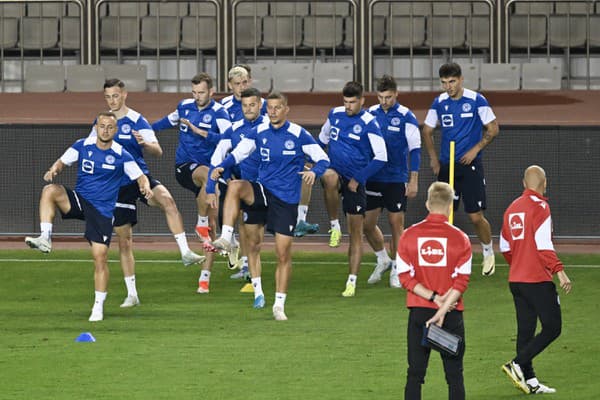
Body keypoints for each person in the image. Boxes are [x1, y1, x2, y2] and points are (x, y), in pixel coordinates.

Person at [208, 91, 330, 320]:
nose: (273, 112)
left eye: (277, 108)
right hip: (263, 191)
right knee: (235, 188)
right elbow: (238, 154)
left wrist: (315, 171)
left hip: (286, 200)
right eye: (270, 108)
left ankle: (279, 305)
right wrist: (221, 167)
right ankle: (226, 237)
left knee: (283, 254)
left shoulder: (298, 134)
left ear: (286, 110)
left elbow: (323, 159)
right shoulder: (259, 131)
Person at [25, 112, 153, 322]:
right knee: (49, 190)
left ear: (116, 130)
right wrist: (53, 170)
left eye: (109, 127)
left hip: (102, 211)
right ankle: (45, 238)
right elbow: (61, 162)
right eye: (101, 126)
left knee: (100, 257)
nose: (105, 130)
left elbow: (140, 177)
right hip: (80, 200)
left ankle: (98, 306)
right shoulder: (82, 145)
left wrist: (145, 186)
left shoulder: (121, 153)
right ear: (96, 127)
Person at [90, 79, 205, 308]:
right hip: (116, 186)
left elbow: (158, 150)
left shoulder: (137, 120)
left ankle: (184, 252)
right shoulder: (100, 122)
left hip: (139, 179)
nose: (112, 100)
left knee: (168, 201)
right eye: (108, 97)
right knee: (125, 242)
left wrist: (144, 142)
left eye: (115, 95)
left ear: (124, 95)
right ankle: (132, 294)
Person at [152, 72, 232, 294]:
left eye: (202, 92)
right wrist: (146, 131)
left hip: (210, 175)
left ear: (211, 92)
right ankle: (200, 221)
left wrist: (202, 133)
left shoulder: (219, 112)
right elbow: (165, 122)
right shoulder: (184, 106)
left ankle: (204, 278)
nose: (197, 97)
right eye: (194, 92)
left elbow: (229, 139)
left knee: (212, 228)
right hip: (186, 167)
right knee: (208, 175)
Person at [221, 64, 319, 239]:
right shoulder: (224, 107)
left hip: (265, 164)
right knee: (243, 218)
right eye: (237, 83)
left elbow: (280, 127)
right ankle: (232, 245)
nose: (242, 86)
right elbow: (222, 140)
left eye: (245, 82)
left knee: (303, 167)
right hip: (242, 166)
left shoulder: (265, 106)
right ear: (230, 85)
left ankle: (300, 219)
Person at [421, 62, 499, 276]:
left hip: (470, 166)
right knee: (443, 215)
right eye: (444, 82)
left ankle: (487, 252)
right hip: (447, 167)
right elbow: (427, 131)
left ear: (461, 79)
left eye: (452, 81)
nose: (449, 87)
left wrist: (476, 149)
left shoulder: (476, 100)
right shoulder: (439, 102)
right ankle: (446, 258)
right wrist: (434, 159)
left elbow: (493, 129)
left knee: (475, 216)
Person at [500, 165, 572, 395]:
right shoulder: (541, 207)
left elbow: (504, 246)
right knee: (553, 327)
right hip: (537, 280)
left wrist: (519, 264)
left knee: (526, 331)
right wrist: (559, 270)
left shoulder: (511, 208)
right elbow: (543, 245)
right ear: (545, 183)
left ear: (523, 183)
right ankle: (517, 364)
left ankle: (530, 381)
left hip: (517, 280)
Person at [396, 181, 471, 400]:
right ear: (450, 207)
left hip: (419, 313)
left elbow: (405, 278)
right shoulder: (461, 238)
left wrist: (433, 298)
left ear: (428, 204)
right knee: (455, 375)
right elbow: (461, 282)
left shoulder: (409, 235)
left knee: (415, 374)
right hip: (451, 315)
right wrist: (443, 306)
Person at [319, 81, 387, 297]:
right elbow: (321, 141)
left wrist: (359, 178)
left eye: (352, 102)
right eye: (345, 102)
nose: (348, 106)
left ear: (362, 101)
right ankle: (334, 225)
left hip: (355, 181)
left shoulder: (369, 122)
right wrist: (316, 160)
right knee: (328, 177)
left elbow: (381, 157)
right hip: (336, 172)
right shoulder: (334, 114)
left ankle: (352, 281)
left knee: (356, 232)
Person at [365, 75, 421, 288]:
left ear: (396, 94)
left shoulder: (406, 116)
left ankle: (398, 267)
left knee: (396, 224)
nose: (384, 101)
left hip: (396, 178)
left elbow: (415, 149)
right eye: (380, 97)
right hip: (372, 177)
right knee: (367, 225)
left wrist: (413, 180)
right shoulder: (370, 114)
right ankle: (383, 259)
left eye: (388, 97)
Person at [209, 87, 270, 282]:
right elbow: (217, 158)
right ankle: (246, 266)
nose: (249, 109)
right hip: (248, 187)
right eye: (245, 105)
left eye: (252, 105)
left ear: (260, 105)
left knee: (260, 238)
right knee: (246, 228)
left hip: (271, 187)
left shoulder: (270, 125)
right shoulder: (233, 129)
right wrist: (211, 188)